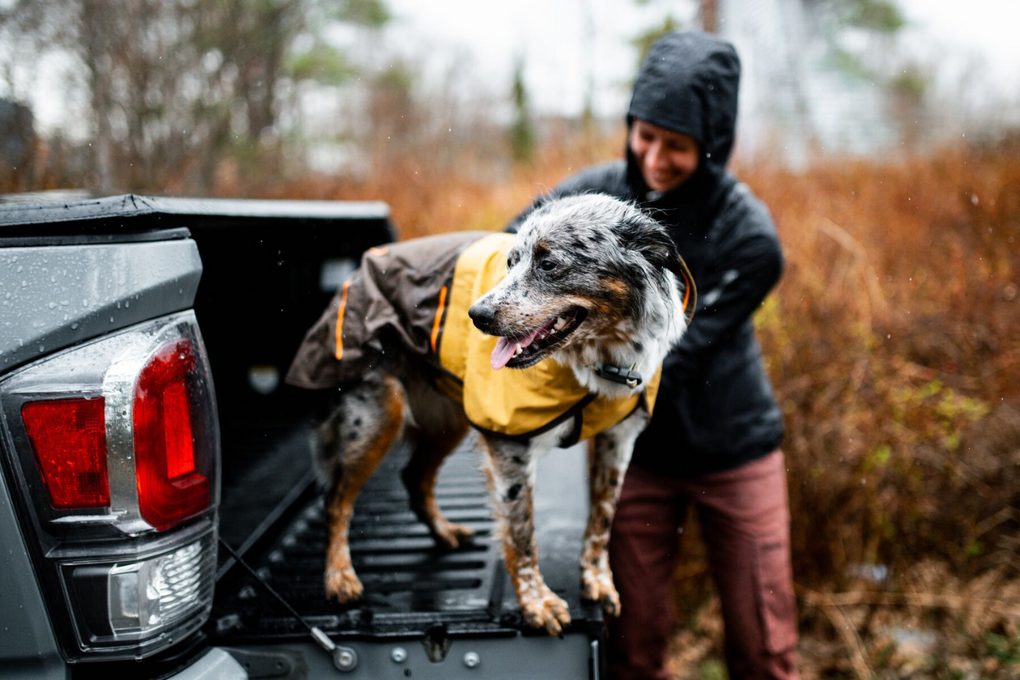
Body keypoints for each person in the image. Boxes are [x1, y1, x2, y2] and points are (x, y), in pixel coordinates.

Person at [509, 31, 798, 680]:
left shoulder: (747, 237)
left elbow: (673, 353)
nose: (655, 158)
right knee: (631, 646)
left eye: (679, 145)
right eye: (645, 135)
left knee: (763, 646)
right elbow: (510, 250)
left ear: (712, 146)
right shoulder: (595, 200)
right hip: (637, 458)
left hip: (735, 451)